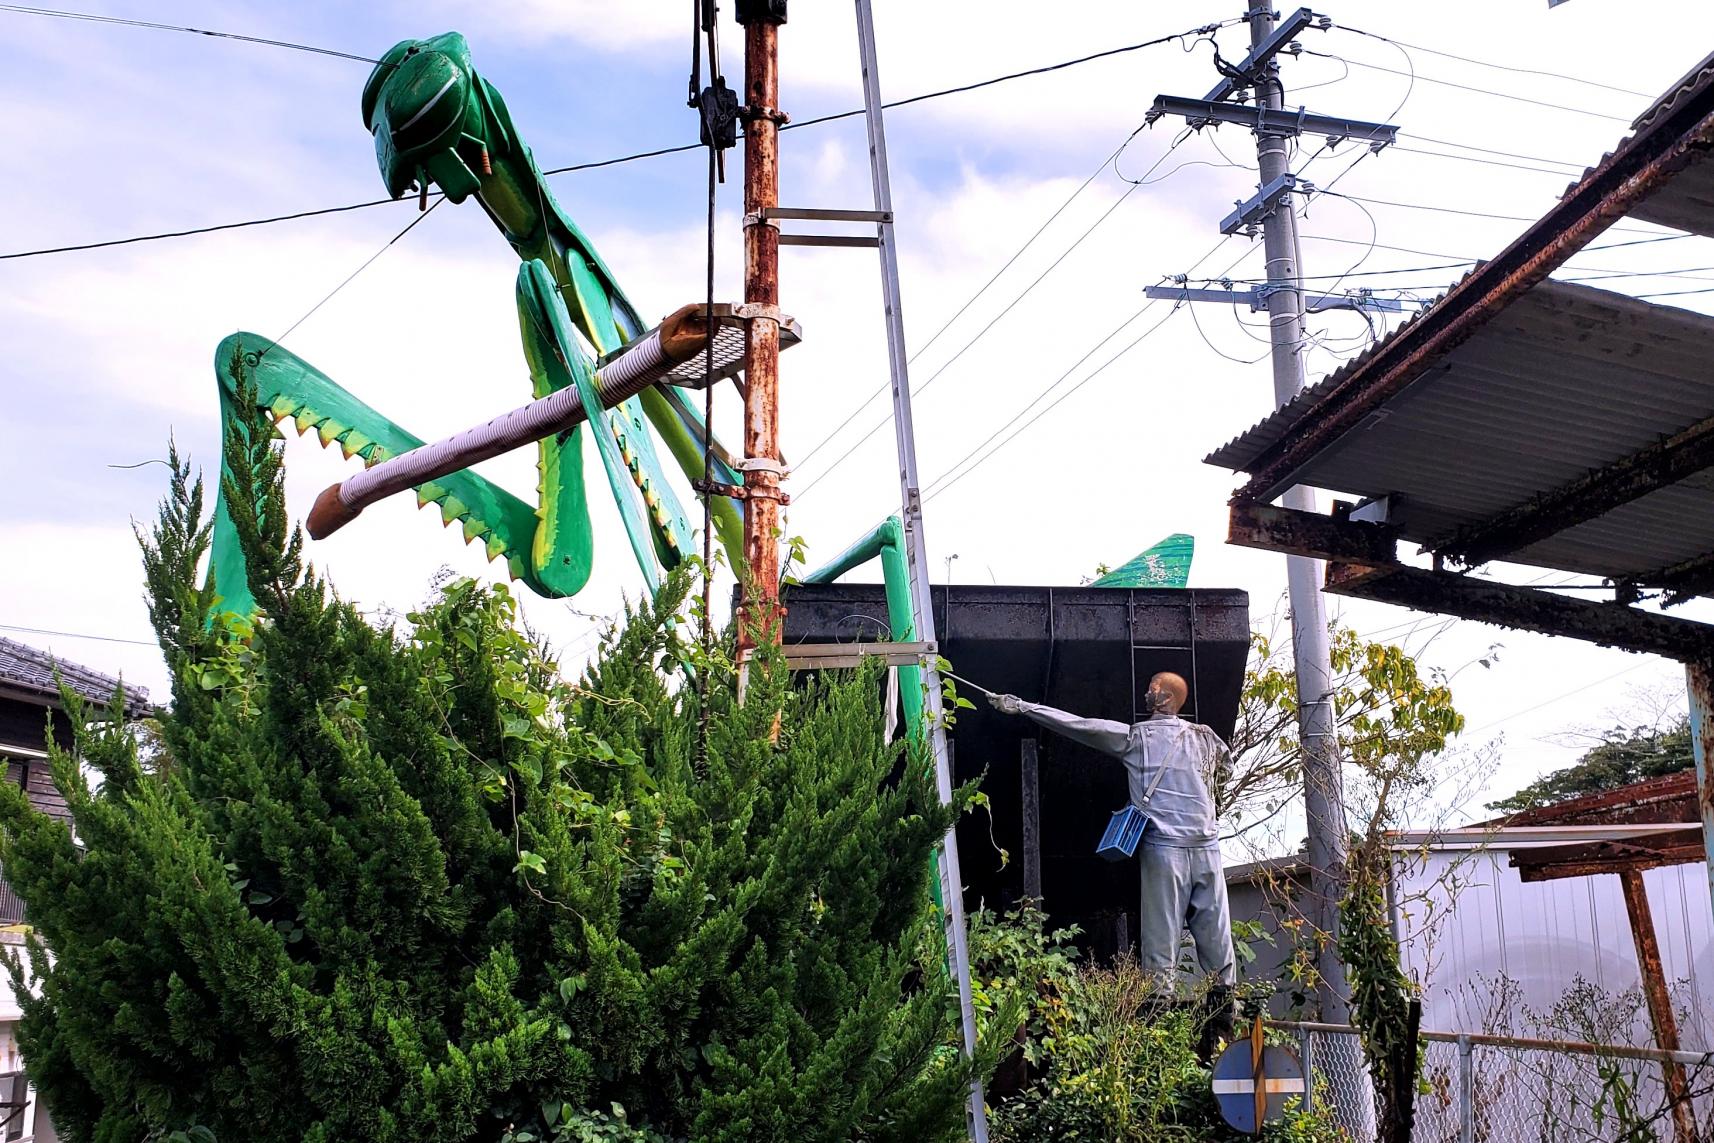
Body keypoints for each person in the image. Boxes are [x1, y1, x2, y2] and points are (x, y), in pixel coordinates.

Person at [988, 671, 1235, 1053]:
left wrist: (1024, 707)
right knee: (1219, 943)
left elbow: (1081, 726)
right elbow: (1224, 774)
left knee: (1160, 943)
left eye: (1153, 688)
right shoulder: (1207, 738)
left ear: (1164, 698)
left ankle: (1154, 1045)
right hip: (1208, 848)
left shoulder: (1138, 738)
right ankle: (1223, 1036)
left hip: (1164, 849)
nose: (1147, 692)